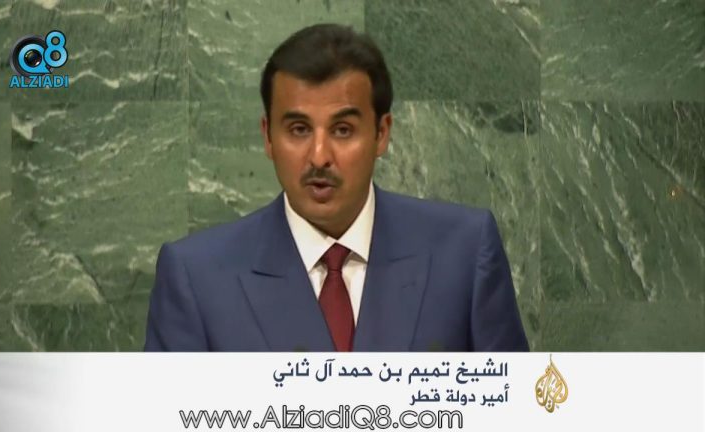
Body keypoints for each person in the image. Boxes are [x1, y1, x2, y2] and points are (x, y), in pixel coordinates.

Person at [144, 23, 529, 352]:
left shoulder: (463, 253)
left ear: (381, 133)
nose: (319, 156)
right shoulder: (196, 277)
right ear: (268, 137)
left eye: (343, 130)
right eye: (298, 129)